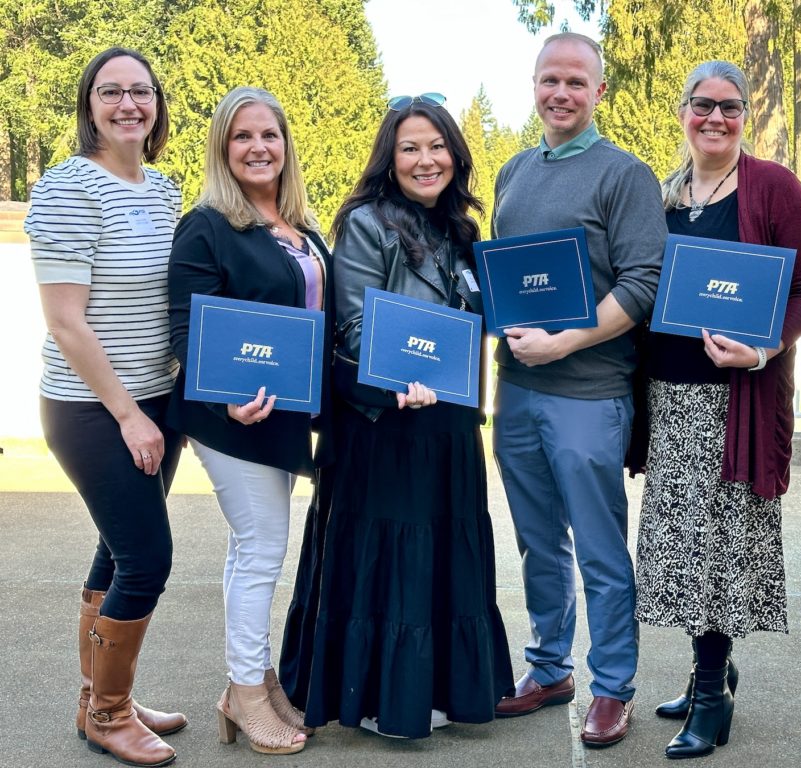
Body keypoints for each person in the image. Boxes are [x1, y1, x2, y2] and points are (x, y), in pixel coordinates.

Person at [277, 91, 514, 740]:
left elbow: (479, 317)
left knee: (441, 557)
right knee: (394, 560)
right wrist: (399, 378)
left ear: (455, 155)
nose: (425, 159)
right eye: (410, 148)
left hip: (450, 424)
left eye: (437, 146)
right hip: (387, 426)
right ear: (390, 157)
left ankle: (434, 691)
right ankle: (386, 699)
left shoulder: (463, 231)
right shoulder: (366, 222)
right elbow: (353, 325)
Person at [630, 60, 801, 760]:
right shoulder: (664, 195)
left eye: (730, 106)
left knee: (718, 551)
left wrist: (764, 349)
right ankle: (707, 671)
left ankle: (712, 696)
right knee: (685, 549)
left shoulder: (774, 187)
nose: (715, 118)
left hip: (734, 402)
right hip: (670, 399)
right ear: (682, 111)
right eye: (702, 104)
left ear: (746, 115)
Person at [489, 33, 666, 748]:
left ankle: (613, 686)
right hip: (516, 391)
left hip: (589, 393)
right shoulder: (513, 172)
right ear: (534, 85)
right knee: (537, 543)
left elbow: (643, 284)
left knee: (599, 549)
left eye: (574, 82)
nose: (560, 93)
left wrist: (564, 341)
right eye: (549, 80)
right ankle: (548, 668)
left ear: (599, 92)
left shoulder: (625, 175)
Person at [25, 47, 186, 768]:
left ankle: (99, 697)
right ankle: (110, 716)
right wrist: (127, 413)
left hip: (156, 398)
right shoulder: (67, 188)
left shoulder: (163, 190)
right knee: (147, 559)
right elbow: (66, 322)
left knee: (116, 550)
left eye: (141, 91)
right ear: (89, 104)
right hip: (93, 408)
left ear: (157, 104)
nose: (128, 104)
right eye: (110, 91)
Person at [166, 87, 333, 756]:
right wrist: (226, 399)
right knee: (261, 547)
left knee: (254, 549)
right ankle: (243, 692)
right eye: (243, 136)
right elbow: (186, 327)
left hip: (286, 417)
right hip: (233, 420)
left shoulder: (303, 228)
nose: (258, 147)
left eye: (269, 134)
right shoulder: (207, 225)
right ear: (222, 148)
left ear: (286, 145)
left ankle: (257, 681)